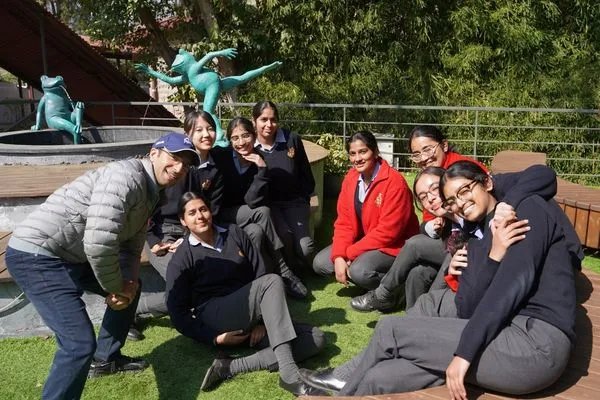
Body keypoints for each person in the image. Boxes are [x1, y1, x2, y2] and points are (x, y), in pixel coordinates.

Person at [301, 161, 577, 398]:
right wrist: (492, 257)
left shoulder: (524, 211)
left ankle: (342, 391)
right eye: (452, 200)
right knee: (383, 376)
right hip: (505, 331)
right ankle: (350, 382)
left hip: (534, 344)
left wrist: (464, 354)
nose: (461, 203)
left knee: (390, 330)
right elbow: (468, 306)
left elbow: (510, 289)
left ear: (487, 183)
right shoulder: (475, 238)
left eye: (465, 191)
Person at [5, 132, 200, 400]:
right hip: (37, 255)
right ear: (154, 153)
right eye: (174, 157)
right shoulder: (125, 178)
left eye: (186, 164)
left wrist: (126, 285)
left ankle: (106, 359)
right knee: (78, 344)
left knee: (133, 286)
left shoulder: (152, 191)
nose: (179, 168)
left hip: (70, 254)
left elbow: (132, 245)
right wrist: (116, 287)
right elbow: (99, 243)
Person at [165, 192, 326, 396]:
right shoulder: (182, 257)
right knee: (272, 281)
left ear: (210, 211)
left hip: (248, 310)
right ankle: (289, 375)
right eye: (192, 213)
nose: (200, 216)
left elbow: (259, 271)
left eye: (203, 209)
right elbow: (176, 312)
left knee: (315, 338)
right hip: (216, 314)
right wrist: (214, 338)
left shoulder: (234, 232)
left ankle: (229, 367)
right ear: (183, 220)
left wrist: (261, 321)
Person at [350, 163, 560, 312]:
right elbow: (431, 230)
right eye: (423, 197)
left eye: (434, 189)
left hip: (508, 278)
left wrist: (507, 204)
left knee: (418, 246)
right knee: (419, 272)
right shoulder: (451, 218)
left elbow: (542, 174)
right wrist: (430, 227)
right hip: (473, 269)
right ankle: (414, 318)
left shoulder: (477, 204)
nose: (431, 198)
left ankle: (393, 299)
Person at [135, 111, 224, 329]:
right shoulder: (153, 177)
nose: (178, 168)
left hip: (187, 234)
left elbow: (195, 211)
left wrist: (188, 238)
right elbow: (145, 215)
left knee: (205, 281)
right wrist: (154, 241)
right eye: (198, 130)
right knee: (187, 286)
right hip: (162, 236)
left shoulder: (193, 171)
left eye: (210, 129)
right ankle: (134, 309)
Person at [212, 116, 307, 298]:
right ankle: (283, 269)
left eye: (245, 136)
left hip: (246, 213)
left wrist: (262, 170)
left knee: (255, 230)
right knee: (263, 212)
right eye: (235, 138)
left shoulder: (259, 159)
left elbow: (252, 201)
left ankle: (253, 283)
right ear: (229, 140)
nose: (241, 142)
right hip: (221, 214)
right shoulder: (222, 156)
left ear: (254, 136)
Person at [313, 130, 420, 290]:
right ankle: (366, 278)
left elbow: (388, 233)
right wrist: (339, 255)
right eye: (352, 153)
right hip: (364, 241)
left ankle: (398, 288)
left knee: (359, 271)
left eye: (363, 152)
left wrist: (350, 253)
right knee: (321, 263)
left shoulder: (395, 183)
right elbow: (344, 223)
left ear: (375, 152)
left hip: (394, 246)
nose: (357, 158)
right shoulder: (350, 178)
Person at [252, 101, 316, 268]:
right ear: (254, 121)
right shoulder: (250, 147)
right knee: (284, 236)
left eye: (273, 120)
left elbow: (306, 173)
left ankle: (297, 264)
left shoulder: (291, 139)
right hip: (269, 205)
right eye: (263, 119)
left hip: (295, 203)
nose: (269, 124)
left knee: (306, 248)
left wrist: (304, 200)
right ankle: (291, 271)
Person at [408, 125, 488, 225]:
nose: (423, 158)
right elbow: (429, 218)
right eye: (416, 155)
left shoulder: (460, 169)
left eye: (428, 150)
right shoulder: (431, 175)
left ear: (444, 145)